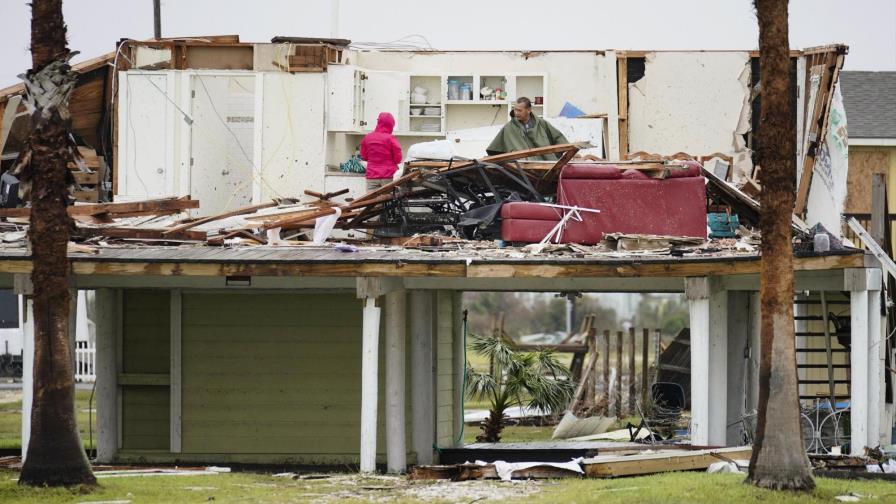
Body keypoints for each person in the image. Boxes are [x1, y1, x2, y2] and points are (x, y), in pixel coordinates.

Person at [486, 97, 569, 160]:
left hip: (545, 164)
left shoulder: (541, 123)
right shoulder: (509, 127)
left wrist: (567, 151)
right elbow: (495, 149)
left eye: (519, 110)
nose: (516, 113)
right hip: (521, 167)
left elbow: (558, 138)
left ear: (529, 110)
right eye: (515, 110)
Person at [360, 112, 403, 191]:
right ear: (391, 125)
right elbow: (398, 158)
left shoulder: (367, 137)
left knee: (371, 201)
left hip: (372, 176)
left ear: (378, 122)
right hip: (388, 176)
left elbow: (364, 156)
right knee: (387, 201)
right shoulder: (390, 138)